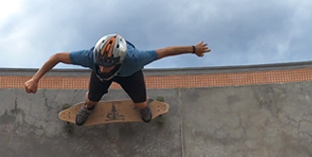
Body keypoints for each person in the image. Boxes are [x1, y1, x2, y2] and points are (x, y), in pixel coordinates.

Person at [24, 34, 211, 125]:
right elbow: (57, 57)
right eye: (101, 63)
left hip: (130, 75)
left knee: (141, 104)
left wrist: (194, 49)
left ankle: (144, 107)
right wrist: (35, 79)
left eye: (109, 65)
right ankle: (88, 108)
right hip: (99, 79)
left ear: (120, 60)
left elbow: (166, 51)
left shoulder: (136, 58)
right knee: (91, 99)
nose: (104, 68)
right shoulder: (90, 57)